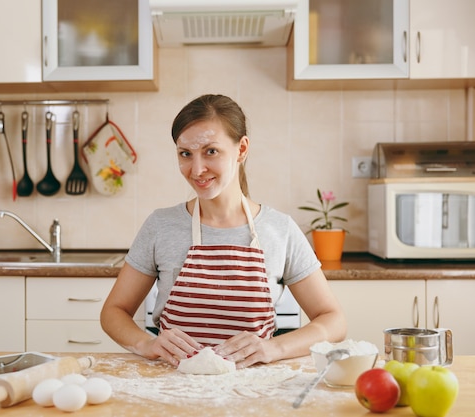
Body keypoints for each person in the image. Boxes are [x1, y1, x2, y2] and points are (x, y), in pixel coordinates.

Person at [100, 94, 346, 369]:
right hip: (173, 388)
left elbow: (333, 320)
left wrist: (275, 347)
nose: (197, 169)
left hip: (254, 393)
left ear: (241, 149)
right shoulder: (161, 226)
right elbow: (113, 313)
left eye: (211, 151)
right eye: (185, 154)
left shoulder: (279, 229)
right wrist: (147, 344)